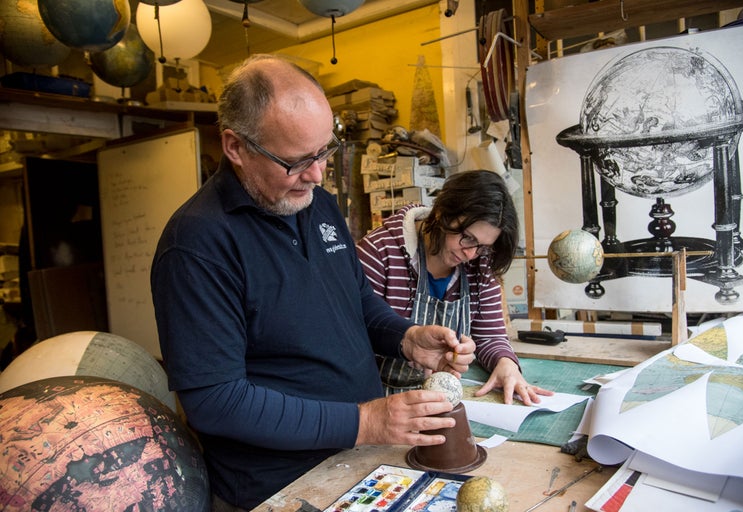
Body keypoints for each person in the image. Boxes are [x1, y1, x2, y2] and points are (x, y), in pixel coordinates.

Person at [150, 54, 475, 511]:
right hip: (279, 488)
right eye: (296, 160)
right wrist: (363, 422)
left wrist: (404, 337)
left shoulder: (313, 202)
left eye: (325, 151)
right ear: (235, 147)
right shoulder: (197, 244)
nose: (317, 174)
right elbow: (215, 400)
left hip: (360, 463)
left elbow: (355, 300)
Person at [356, 170, 553, 405]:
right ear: (442, 213)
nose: (470, 254)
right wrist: (408, 346)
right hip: (378, 400)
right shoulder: (379, 252)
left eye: (482, 246)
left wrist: (506, 364)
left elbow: (489, 335)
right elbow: (352, 338)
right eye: (467, 237)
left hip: (444, 399)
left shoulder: (479, 262)